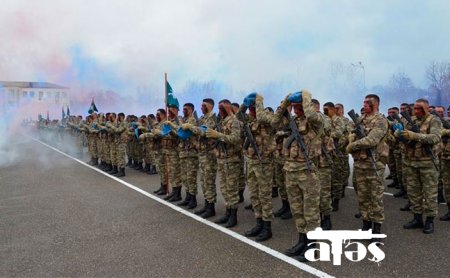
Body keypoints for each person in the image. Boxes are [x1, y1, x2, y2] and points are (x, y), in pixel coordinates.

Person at [272, 90, 323, 262]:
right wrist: (284, 104)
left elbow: (311, 114)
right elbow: (274, 123)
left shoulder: (316, 121)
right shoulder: (293, 121)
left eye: (297, 106)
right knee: (297, 210)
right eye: (292, 107)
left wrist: (306, 96)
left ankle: (313, 247)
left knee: (310, 212)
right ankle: (302, 241)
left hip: (307, 172)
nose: (294, 109)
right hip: (291, 171)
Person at [346, 94, 388, 242]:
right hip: (360, 164)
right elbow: (349, 132)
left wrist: (353, 145)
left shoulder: (381, 120)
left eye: (367, 103)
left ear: (375, 104)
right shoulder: (360, 120)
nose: (364, 105)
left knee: (375, 199)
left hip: (374, 165)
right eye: (363, 102)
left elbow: (372, 140)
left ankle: (376, 231)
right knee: (363, 198)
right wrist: (351, 138)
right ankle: (366, 225)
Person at [400, 99, 442, 234]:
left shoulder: (433, 120)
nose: (416, 111)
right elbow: (405, 136)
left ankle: (430, 220)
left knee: (430, 194)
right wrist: (400, 135)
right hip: (411, 162)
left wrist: (415, 135)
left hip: (427, 163)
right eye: (415, 108)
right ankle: (417, 218)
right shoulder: (411, 120)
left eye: (419, 109)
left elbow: (435, 138)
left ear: (427, 108)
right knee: (413, 193)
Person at [238, 93, 275, 241]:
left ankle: (267, 227)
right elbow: (239, 116)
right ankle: (259, 222)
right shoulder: (251, 120)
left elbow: (262, 117)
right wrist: (245, 104)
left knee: (264, 196)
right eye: (251, 108)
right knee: (254, 195)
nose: (251, 111)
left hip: (264, 163)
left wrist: (259, 101)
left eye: (253, 108)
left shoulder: (267, 117)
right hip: (252, 162)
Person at [205, 99, 242, 228]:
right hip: (221, 159)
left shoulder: (234, 121)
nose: (220, 112)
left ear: (228, 108)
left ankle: (233, 217)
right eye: (219, 109)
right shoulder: (221, 122)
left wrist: (218, 134)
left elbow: (235, 139)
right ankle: (227, 213)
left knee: (231, 189)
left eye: (222, 109)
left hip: (231, 160)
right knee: (225, 189)